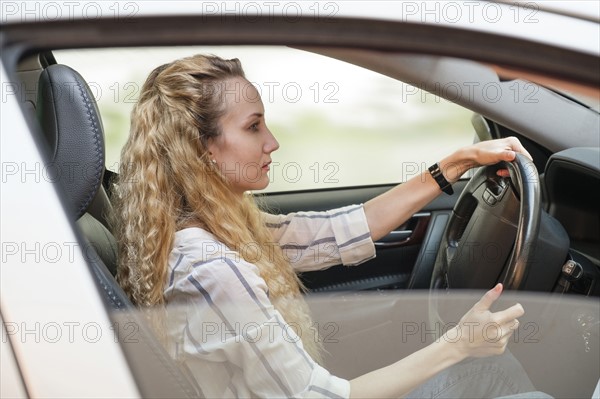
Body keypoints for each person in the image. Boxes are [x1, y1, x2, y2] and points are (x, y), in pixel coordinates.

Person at [113, 54, 547, 398]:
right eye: (253, 126)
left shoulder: (214, 227)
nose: (272, 142)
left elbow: (342, 230)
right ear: (201, 149)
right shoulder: (211, 269)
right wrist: (460, 343)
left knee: (495, 369)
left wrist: (458, 163)